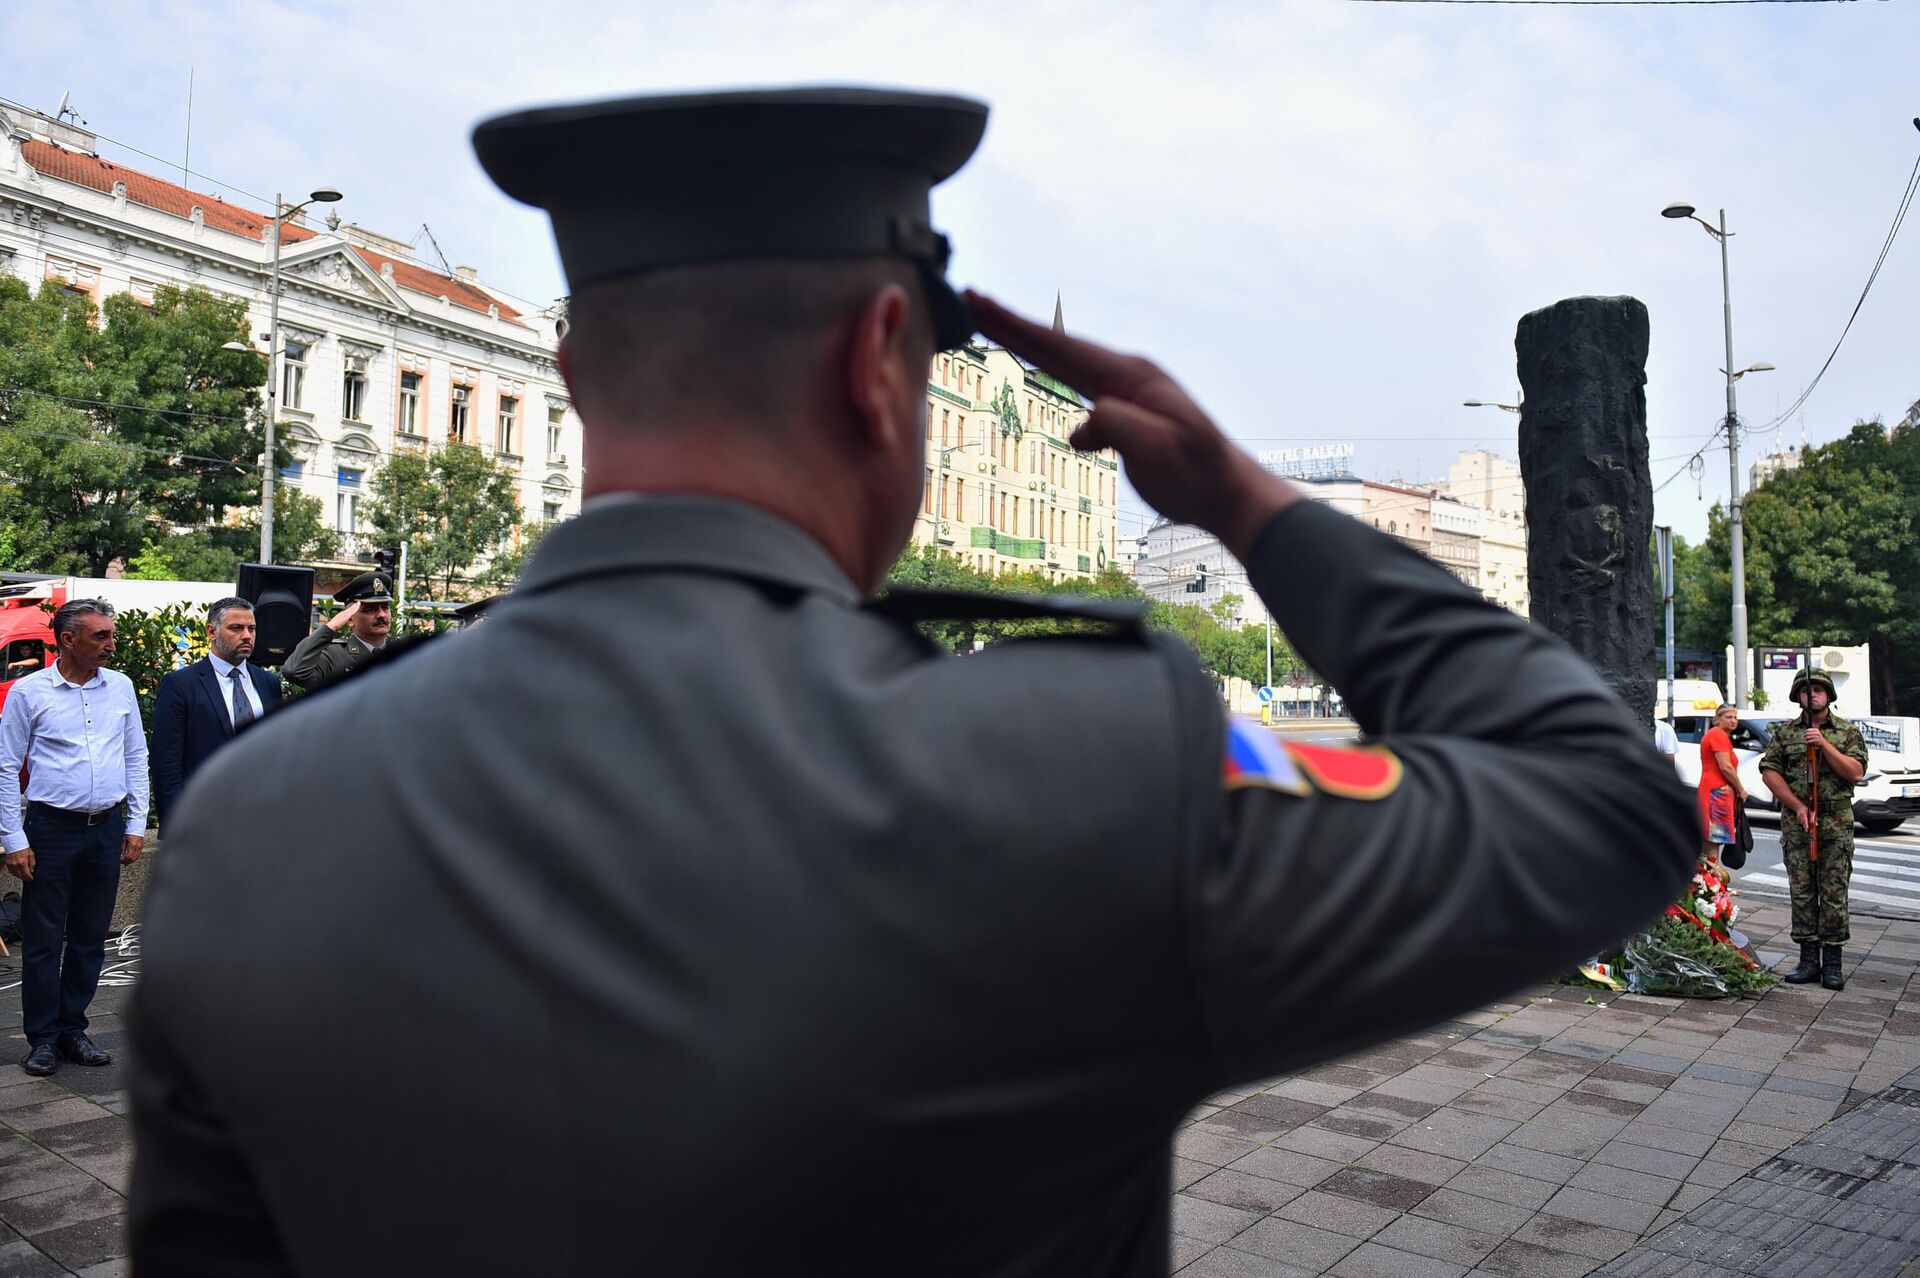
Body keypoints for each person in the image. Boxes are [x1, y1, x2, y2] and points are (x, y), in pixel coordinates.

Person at [128, 88, 1696, 1276]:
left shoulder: (251, 817)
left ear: (575, 370)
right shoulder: (1082, 772)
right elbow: (1605, 800)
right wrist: (1247, 502)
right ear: (880, 356)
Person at [0, 599, 148, 1076]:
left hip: (105, 827)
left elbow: (135, 757)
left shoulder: (120, 687)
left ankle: (73, 1029)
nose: (111, 643)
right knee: (43, 939)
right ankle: (42, 1038)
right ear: (67, 640)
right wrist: (13, 837)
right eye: (100, 636)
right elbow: (4, 767)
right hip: (51, 829)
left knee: (89, 937)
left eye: (110, 634)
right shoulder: (29, 692)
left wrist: (135, 824)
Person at [1760, 669, 1867, 989]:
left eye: (1820, 690)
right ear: (1798, 697)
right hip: (1799, 823)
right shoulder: (1785, 733)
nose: (1814, 695)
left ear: (1829, 695)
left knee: (1834, 892)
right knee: (1802, 891)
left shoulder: (1846, 732)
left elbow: (1855, 772)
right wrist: (1798, 806)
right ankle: (1808, 961)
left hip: (1835, 822)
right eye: (1807, 691)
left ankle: (1832, 964)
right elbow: (1769, 771)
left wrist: (1823, 745)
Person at [150, 598, 285, 833]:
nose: (247, 635)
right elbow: (166, 762)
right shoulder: (181, 684)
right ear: (212, 631)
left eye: (251, 629)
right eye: (236, 628)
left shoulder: (267, 683)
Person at [280, 571, 392, 691]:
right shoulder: (334, 656)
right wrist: (331, 626)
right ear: (350, 619)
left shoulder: (403, 653)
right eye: (370, 609)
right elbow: (294, 671)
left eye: (385, 607)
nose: (381, 614)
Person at [1696, 704, 1746, 870]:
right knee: (1714, 841)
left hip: (1713, 790)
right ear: (1717, 719)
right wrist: (1740, 789)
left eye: (1735, 717)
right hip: (1717, 792)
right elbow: (1726, 767)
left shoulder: (1716, 735)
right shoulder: (1718, 735)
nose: (1733, 721)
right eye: (1728, 717)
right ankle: (1711, 885)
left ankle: (1706, 883)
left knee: (1710, 842)